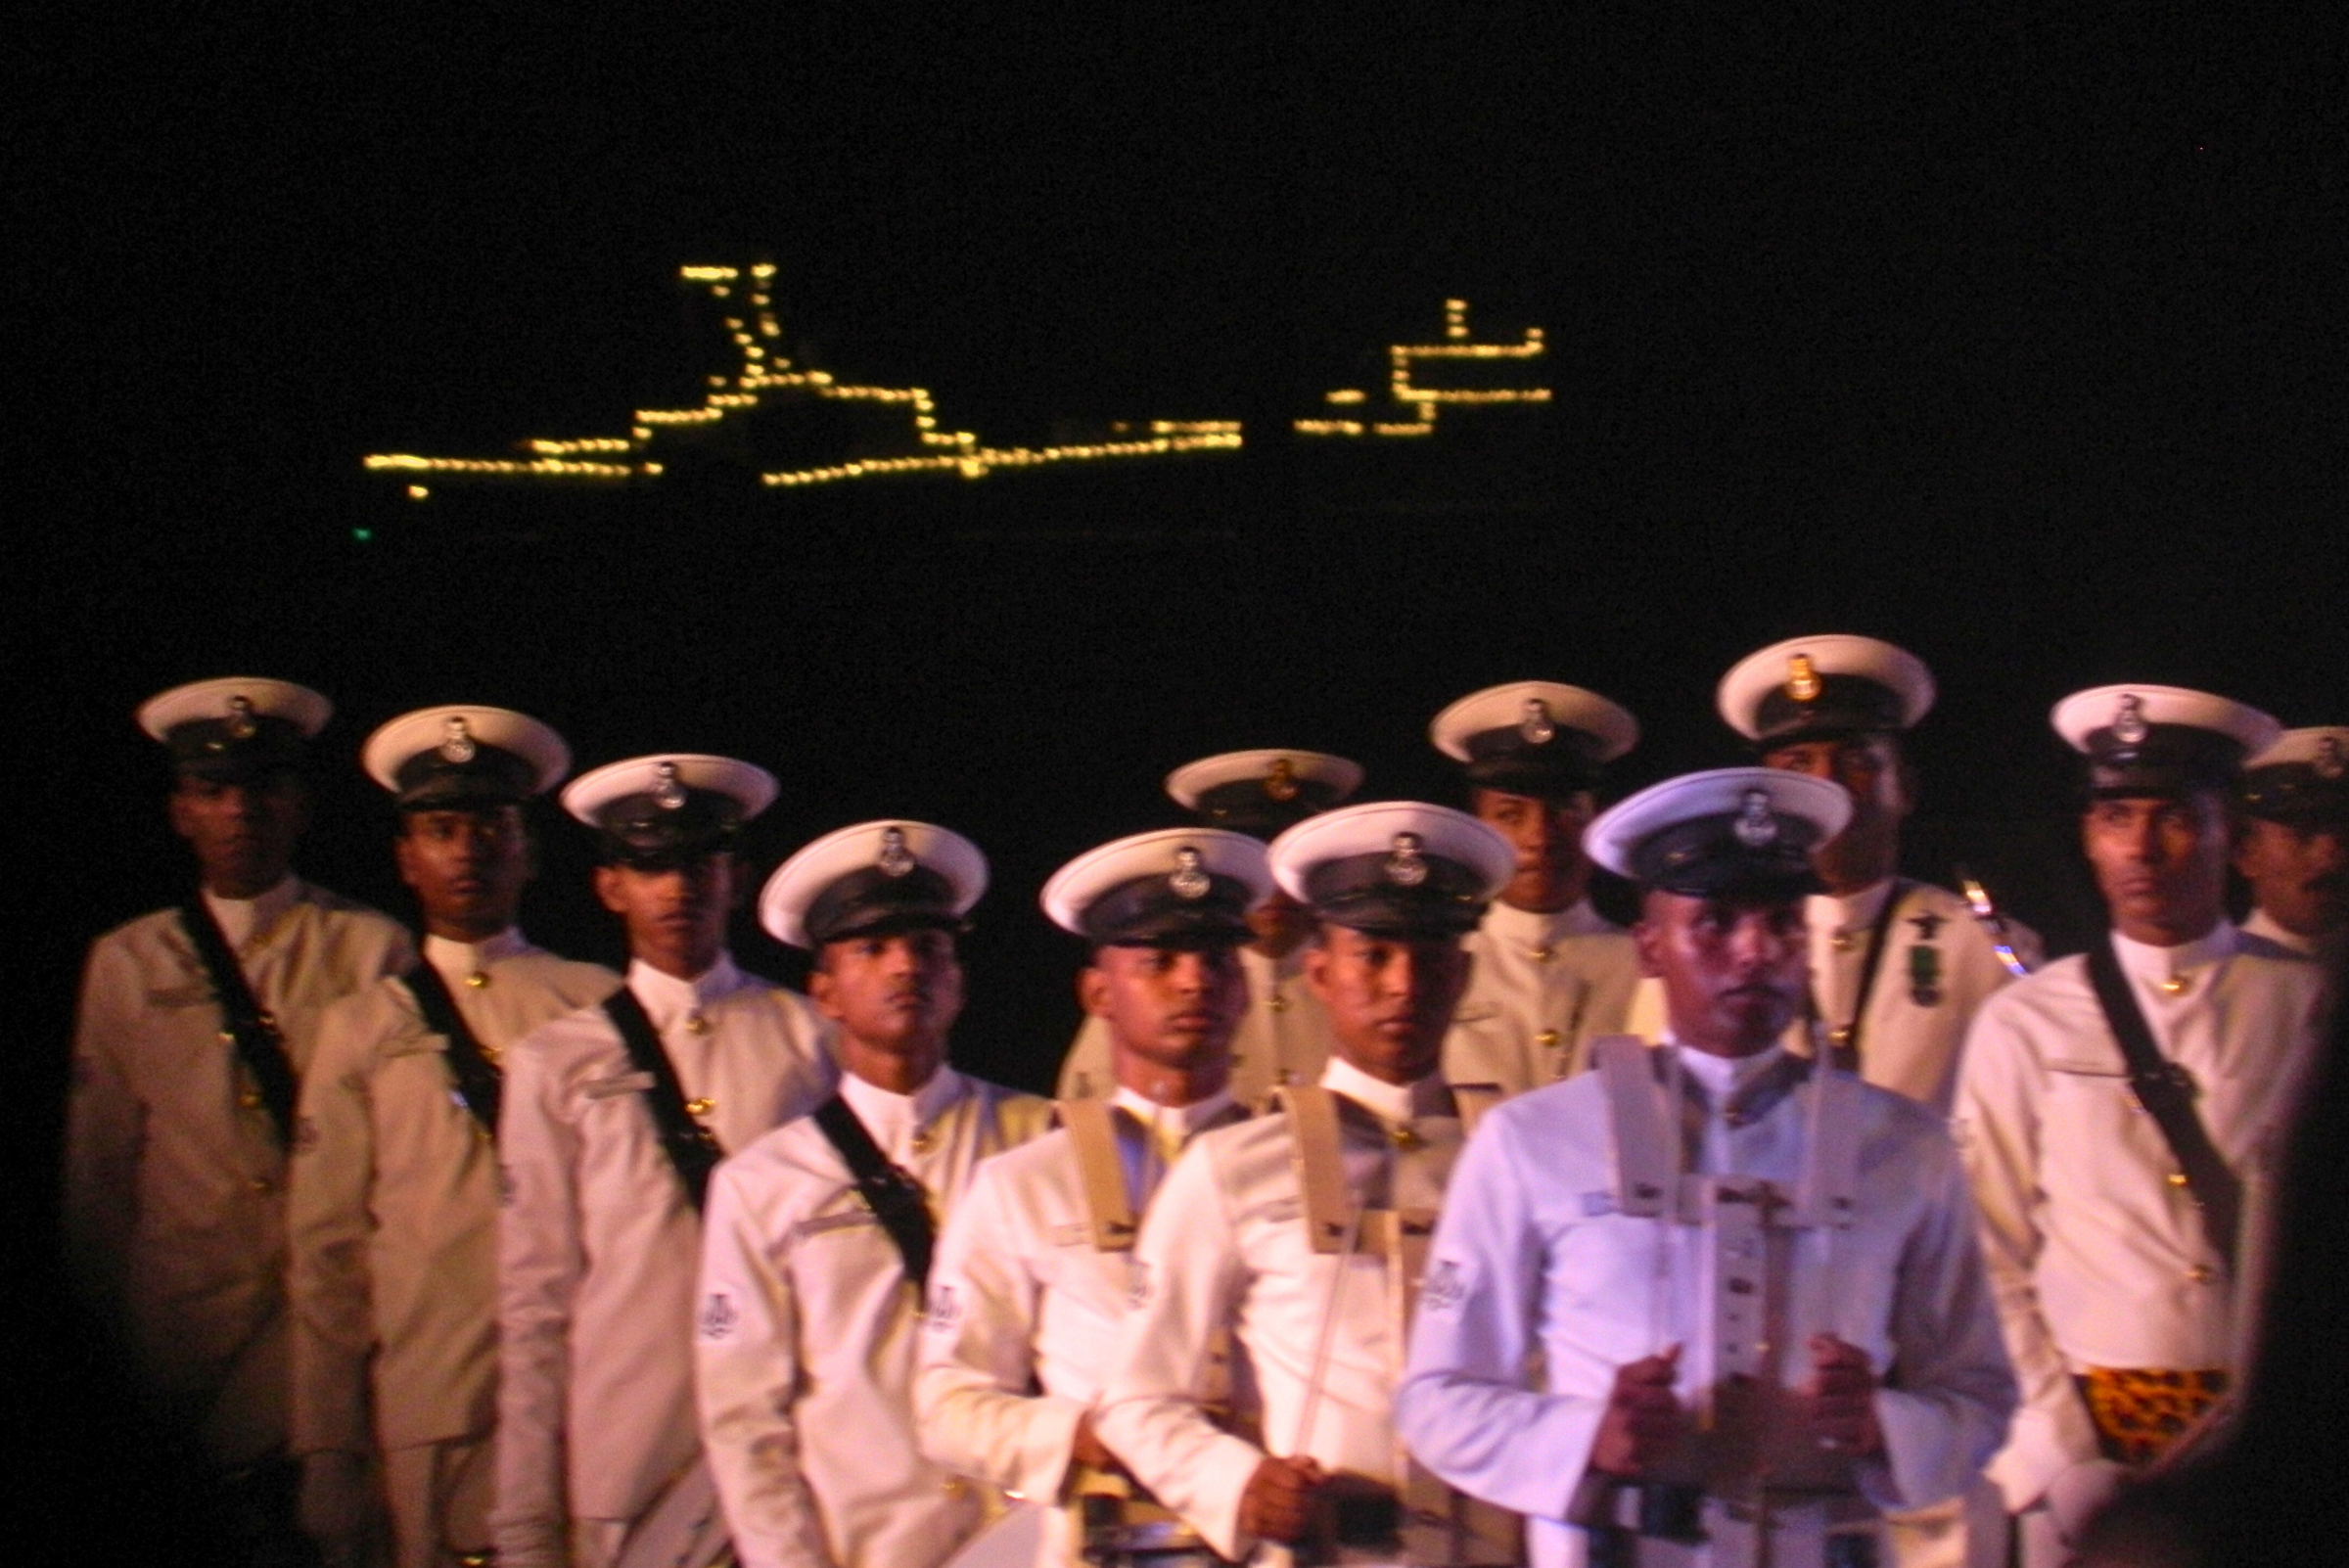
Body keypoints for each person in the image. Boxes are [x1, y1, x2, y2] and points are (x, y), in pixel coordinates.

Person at [1397, 766, 2017, 1568]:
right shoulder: (1534, 1141)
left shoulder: (1904, 1145)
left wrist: (1884, 1425)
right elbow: (1436, 1399)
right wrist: (1585, 1435)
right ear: (1649, 949)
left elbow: (1981, 1393)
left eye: (1784, 923)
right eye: (1715, 923)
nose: (1755, 953)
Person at [1954, 686, 2327, 1568]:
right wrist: (2063, 1447)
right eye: (2117, 817)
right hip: (2085, 1452)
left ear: (2229, 837)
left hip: (2258, 1445)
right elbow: (1985, 1248)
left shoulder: (2303, 1004)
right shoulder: (2030, 1023)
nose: (2143, 850)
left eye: (2175, 818)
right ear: (2089, 835)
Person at [1092, 801, 1520, 1567]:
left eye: (1430, 957)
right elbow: (1136, 1397)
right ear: (1318, 971)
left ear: (1463, 974)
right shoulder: (1237, 1165)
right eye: (1374, 956)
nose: (1404, 984)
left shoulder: (1516, 1155)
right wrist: (1239, 1482)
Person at [66, 676, 413, 1557]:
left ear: (299, 805)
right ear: (181, 811)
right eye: (212, 792)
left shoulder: (368, 946)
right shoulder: (130, 959)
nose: (238, 812)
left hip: (325, 1318)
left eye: (263, 790)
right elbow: (99, 1174)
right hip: (183, 1324)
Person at [288, 705, 621, 1568]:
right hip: (434, 1399)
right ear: (406, 858)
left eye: (491, 826)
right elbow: (327, 1253)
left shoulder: (594, 1004)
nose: (467, 850)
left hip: (583, 1398)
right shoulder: (362, 1026)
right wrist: (328, 1446)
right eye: (440, 829)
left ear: (528, 848)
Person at [493, 755, 835, 1568]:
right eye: (649, 866)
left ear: (737, 877)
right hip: (631, 1452)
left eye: (698, 862)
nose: (676, 888)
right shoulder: (559, 1060)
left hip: (791, 1440)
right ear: (610, 885)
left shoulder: (810, 1038)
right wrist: (525, 1519)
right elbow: (535, 1299)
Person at [696, 820, 1052, 1568]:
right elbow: (744, 1422)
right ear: (823, 991)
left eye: (928, 948)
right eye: (873, 949)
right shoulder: (764, 1184)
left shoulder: (1037, 1139)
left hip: (1027, 1542)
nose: (906, 969)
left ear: (958, 975)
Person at [917, 826, 1270, 1567]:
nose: (1193, 982)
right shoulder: (1026, 1182)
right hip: (1110, 1540)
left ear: (1244, 987)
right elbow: (946, 1403)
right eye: (1159, 963)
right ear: (1098, 991)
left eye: (1215, 962)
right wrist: (1078, 1434)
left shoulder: (1293, 1171)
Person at [1056, 750, 1360, 1106]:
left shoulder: (1371, 982)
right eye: (1257, 862)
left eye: (1290, 865)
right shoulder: (1148, 999)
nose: (1276, 887)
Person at [1429, 680, 1642, 1095]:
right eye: (1510, 815)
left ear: (1596, 820)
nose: (1540, 837)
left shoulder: (1648, 967)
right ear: (1478, 830)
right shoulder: (1442, 969)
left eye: (1565, 811)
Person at [2232, 725, 2347, 964]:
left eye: (2345, 834)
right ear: (2246, 853)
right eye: (2301, 834)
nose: (2329, 855)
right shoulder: (2217, 985)